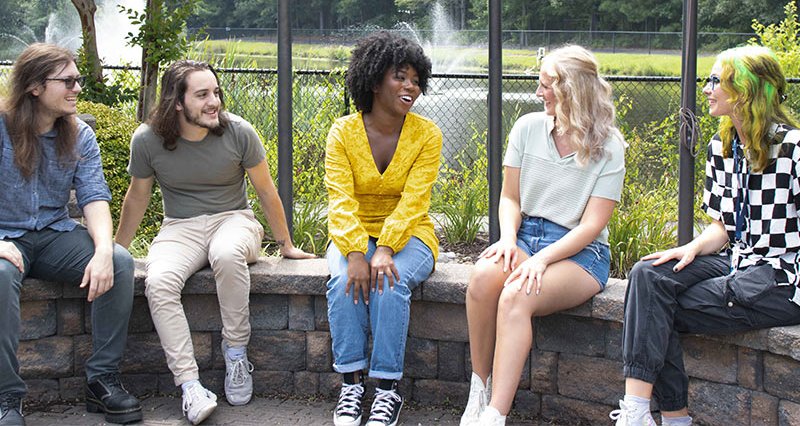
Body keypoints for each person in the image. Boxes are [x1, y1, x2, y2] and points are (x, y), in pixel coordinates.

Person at [114, 59, 314, 426]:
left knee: (225, 254)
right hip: (180, 227)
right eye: (202, 94)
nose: (214, 102)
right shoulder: (147, 140)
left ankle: (236, 354)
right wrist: (119, 250)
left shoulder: (239, 132)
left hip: (234, 220)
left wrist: (285, 244)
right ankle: (190, 385)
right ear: (177, 101)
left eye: (216, 92)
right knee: (158, 282)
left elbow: (266, 190)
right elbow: (137, 197)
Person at [611, 45, 800, 426]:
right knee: (648, 275)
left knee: (652, 311)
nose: (706, 88)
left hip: (783, 277)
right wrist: (690, 249)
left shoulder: (794, 148)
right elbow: (724, 227)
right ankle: (641, 413)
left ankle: (669, 419)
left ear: (745, 89)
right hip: (739, 261)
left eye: (716, 80)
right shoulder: (722, 147)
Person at [461, 45, 626, 426]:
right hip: (524, 237)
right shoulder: (527, 128)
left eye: (547, 85)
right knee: (482, 279)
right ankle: (479, 388)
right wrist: (507, 239)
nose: (539, 94)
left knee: (516, 296)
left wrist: (542, 259)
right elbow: (510, 197)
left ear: (572, 90)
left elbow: (591, 226)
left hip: (579, 253)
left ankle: (494, 415)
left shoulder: (610, 146)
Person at [0, 44, 141, 426]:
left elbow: (95, 199)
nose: (77, 87)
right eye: (67, 81)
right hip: (4, 239)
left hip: (53, 237)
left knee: (120, 261)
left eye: (77, 79)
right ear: (33, 86)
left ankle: (102, 381)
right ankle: (7, 398)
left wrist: (101, 251)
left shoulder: (79, 135)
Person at [325, 31, 442, 426]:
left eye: (415, 80)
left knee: (390, 283)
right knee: (343, 279)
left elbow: (415, 202)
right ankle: (351, 385)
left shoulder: (427, 134)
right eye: (400, 77)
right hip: (353, 232)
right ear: (374, 81)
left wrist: (386, 248)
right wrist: (357, 252)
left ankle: (387, 391)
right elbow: (339, 200)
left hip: (411, 236)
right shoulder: (342, 133)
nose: (411, 87)